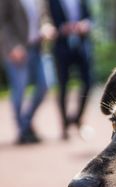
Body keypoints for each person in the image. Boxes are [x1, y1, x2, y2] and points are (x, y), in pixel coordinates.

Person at [0, 0, 55, 144]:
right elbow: (3, 23)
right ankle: (23, 131)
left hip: (37, 48)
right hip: (17, 51)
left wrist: (46, 26)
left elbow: (44, 16)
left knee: (45, 84)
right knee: (19, 91)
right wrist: (12, 47)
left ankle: (26, 122)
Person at [47, 0, 93, 140]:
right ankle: (64, 126)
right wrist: (62, 28)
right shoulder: (52, 2)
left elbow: (90, 19)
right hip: (62, 47)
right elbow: (48, 22)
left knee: (88, 83)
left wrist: (84, 25)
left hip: (82, 46)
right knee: (63, 86)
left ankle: (77, 119)